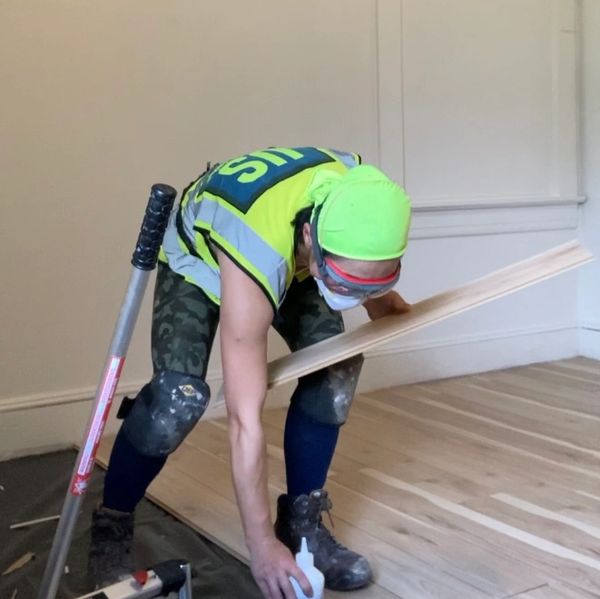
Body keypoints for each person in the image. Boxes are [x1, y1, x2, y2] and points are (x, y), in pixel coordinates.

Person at [88, 146, 412, 599]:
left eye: (370, 284)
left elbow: (365, 268)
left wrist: (386, 302)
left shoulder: (364, 194)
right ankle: (112, 520)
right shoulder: (257, 250)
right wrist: (259, 546)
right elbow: (244, 421)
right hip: (202, 259)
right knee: (176, 399)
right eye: (342, 284)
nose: (353, 297)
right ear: (310, 240)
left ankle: (302, 525)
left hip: (290, 247)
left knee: (335, 364)